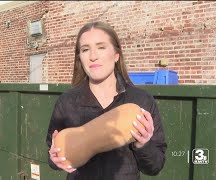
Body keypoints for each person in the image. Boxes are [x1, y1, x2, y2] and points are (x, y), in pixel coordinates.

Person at [45, 21, 167, 180]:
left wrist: (143, 145)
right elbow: (52, 154)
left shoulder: (141, 100)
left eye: (101, 47)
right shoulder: (66, 102)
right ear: (80, 57)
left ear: (116, 55)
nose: (93, 56)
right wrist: (55, 159)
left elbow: (155, 166)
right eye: (85, 49)